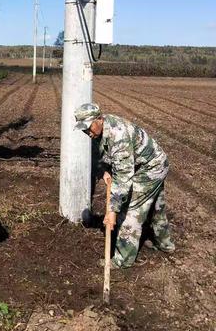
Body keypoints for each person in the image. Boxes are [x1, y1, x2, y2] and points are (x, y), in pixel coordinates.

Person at [74, 103, 175, 269]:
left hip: (151, 167)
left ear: (99, 119)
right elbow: (100, 153)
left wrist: (112, 210)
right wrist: (104, 170)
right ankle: (165, 244)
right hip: (142, 165)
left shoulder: (118, 134)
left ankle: (123, 259)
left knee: (131, 209)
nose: (87, 132)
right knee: (156, 206)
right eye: (83, 129)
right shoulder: (98, 131)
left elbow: (123, 178)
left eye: (88, 127)